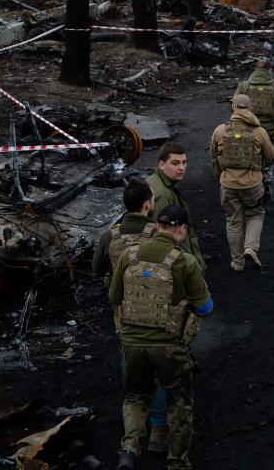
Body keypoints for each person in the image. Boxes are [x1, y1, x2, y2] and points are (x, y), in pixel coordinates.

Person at [110, 205, 213, 470]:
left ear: (157, 227)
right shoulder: (184, 261)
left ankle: (129, 450)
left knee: (135, 397)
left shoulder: (129, 255)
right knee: (179, 401)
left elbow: (114, 297)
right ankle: (177, 461)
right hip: (169, 346)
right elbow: (205, 307)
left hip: (132, 343)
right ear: (181, 229)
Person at [91, 178, 169, 453]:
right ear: (148, 204)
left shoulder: (109, 237)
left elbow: (97, 269)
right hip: (159, 314)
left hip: (125, 314)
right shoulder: (161, 234)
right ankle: (159, 428)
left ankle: (135, 428)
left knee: (131, 368)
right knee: (160, 371)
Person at [209, 93, 274, 272]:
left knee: (233, 221)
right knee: (255, 214)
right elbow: (270, 157)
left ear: (233, 108)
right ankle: (251, 248)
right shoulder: (259, 132)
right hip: (253, 184)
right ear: (250, 109)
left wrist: (220, 176)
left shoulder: (220, 130)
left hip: (228, 184)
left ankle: (237, 262)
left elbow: (213, 156)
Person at [234, 60, 274, 197]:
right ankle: (266, 187)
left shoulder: (243, 86)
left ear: (256, 69)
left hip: (246, 130)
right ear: (270, 70)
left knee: (247, 158)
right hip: (269, 130)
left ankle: (247, 188)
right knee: (268, 159)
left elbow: (234, 106)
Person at [147, 142, 202, 263]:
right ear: (161, 165)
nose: (182, 168)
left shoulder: (155, 181)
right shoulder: (164, 195)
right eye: (175, 163)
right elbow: (167, 235)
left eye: (184, 162)